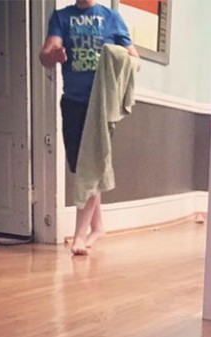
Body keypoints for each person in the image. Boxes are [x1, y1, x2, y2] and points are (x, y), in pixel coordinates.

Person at [40, 0, 139, 255]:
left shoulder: (111, 18)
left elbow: (135, 60)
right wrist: (54, 55)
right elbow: (47, 53)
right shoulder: (61, 18)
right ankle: (98, 226)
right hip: (73, 101)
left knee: (90, 164)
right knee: (80, 165)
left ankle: (79, 236)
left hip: (101, 105)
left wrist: (118, 55)